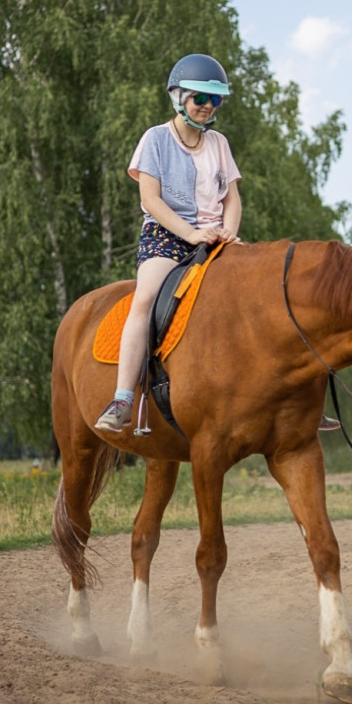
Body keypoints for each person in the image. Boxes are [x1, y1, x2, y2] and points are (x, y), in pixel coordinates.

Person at [94, 54, 242, 433]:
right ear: (178, 98)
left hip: (216, 238)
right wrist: (191, 233)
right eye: (201, 99)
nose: (208, 107)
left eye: (216, 100)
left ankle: (284, 397)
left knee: (264, 292)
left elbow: (232, 198)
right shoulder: (155, 139)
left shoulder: (220, 143)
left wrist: (227, 230)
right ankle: (123, 398)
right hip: (166, 237)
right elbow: (151, 200)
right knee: (144, 300)